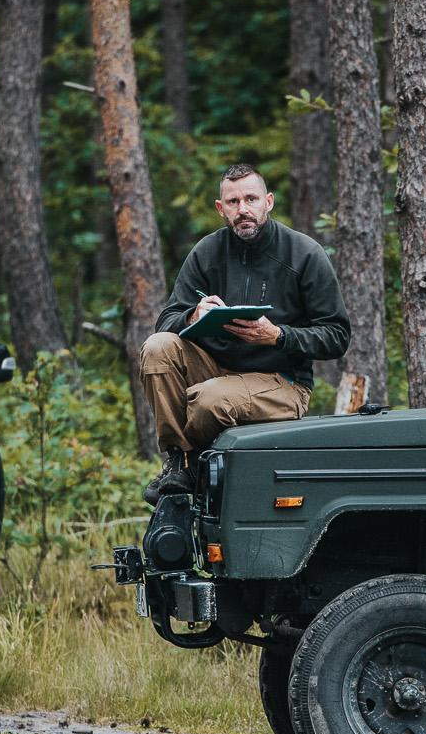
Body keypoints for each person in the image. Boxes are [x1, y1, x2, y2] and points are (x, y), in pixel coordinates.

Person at [141, 163, 351, 503]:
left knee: (209, 399)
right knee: (157, 348)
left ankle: (190, 465)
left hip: (282, 381)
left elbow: (337, 336)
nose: (243, 210)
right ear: (220, 208)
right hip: (218, 370)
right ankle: (178, 461)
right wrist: (193, 314)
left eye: (251, 199)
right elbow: (166, 321)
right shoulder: (207, 252)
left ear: (268, 201)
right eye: (234, 202)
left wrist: (279, 336)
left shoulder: (304, 253)